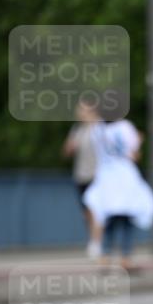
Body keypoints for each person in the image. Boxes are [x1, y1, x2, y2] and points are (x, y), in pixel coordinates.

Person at [82, 114, 153, 272]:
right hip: (125, 176)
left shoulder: (98, 129)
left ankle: (104, 258)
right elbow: (134, 155)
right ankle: (126, 258)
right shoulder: (126, 127)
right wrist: (139, 141)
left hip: (106, 178)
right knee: (127, 220)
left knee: (109, 219)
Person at [62, 97, 100, 257]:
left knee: (95, 210)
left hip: (97, 176)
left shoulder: (100, 128)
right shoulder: (77, 130)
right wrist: (70, 147)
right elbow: (66, 152)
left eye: (82, 109)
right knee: (86, 212)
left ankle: (96, 243)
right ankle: (95, 239)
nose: (79, 112)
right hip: (81, 176)